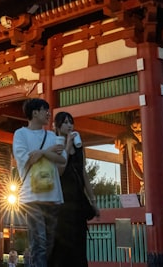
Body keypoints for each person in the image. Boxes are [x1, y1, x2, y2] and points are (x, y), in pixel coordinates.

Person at [12, 98, 66, 267]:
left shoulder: (52, 136)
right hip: (31, 196)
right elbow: (26, 159)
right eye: (45, 110)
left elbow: (62, 160)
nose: (49, 114)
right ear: (34, 112)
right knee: (39, 242)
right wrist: (48, 152)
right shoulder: (21, 134)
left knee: (50, 243)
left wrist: (42, 152)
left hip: (53, 195)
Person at [52, 111, 99, 267]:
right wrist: (67, 146)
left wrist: (93, 200)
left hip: (78, 200)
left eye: (71, 122)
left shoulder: (79, 147)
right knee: (63, 243)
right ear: (57, 126)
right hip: (63, 200)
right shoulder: (56, 145)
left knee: (79, 242)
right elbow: (59, 171)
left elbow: (83, 172)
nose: (69, 125)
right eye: (65, 122)